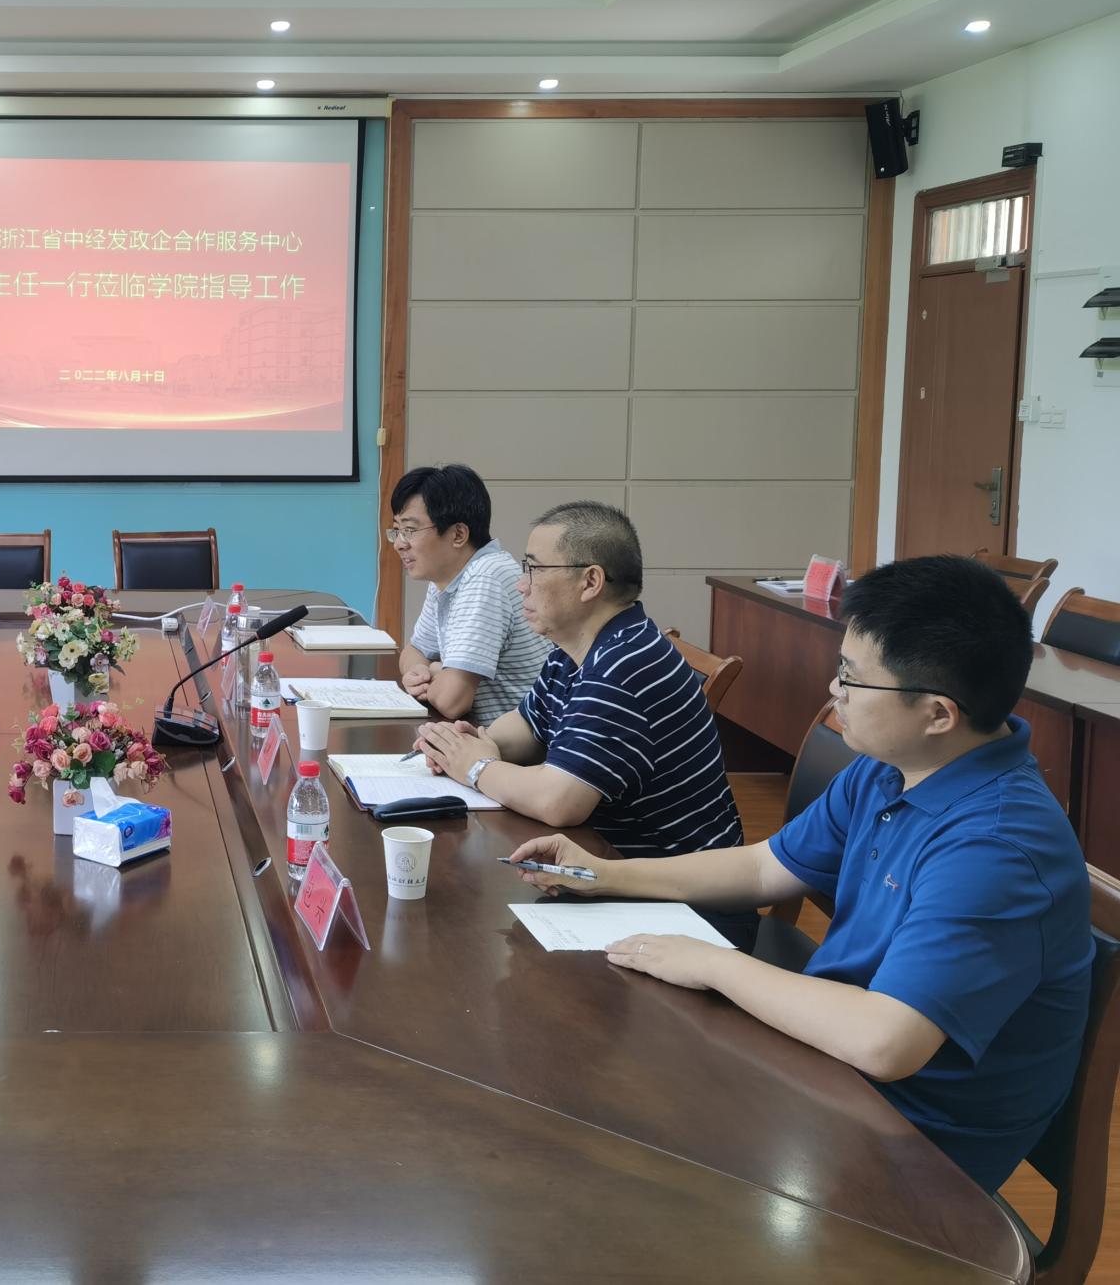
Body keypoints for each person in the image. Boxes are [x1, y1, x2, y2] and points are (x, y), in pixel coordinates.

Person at [507, 555, 1093, 1192]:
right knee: (584, 1094)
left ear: (938, 713)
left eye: (852, 678)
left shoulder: (996, 847)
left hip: (911, 1153)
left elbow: (885, 1041)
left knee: (600, 1148)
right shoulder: (895, 765)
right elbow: (766, 867)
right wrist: (604, 876)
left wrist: (713, 963)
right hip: (824, 1073)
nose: (833, 690)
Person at [418, 500, 742, 857]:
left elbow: (558, 802)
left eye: (535, 569)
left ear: (590, 582)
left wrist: (476, 767)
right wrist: (466, 746)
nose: (522, 585)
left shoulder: (623, 666)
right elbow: (528, 727)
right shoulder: (576, 648)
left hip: (669, 882)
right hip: (606, 855)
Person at [390, 464, 547, 724]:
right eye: (397, 530)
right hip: (476, 733)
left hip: (510, 741)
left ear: (458, 534)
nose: (399, 544)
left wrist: (436, 670)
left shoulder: (485, 577)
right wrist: (419, 672)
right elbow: (414, 650)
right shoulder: (447, 575)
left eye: (410, 530)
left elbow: (452, 702)